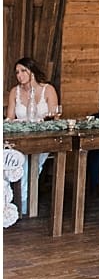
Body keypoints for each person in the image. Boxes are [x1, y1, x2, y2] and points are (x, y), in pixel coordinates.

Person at [6, 58, 59, 210]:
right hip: (20, 138)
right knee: (18, 160)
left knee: (33, 162)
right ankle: (18, 201)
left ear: (32, 71)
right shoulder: (14, 92)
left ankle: (23, 202)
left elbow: (54, 116)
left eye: (23, 71)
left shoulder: (48, 90)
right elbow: (10, 118)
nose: (19, 75)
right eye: (17, 72)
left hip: (43, 137)